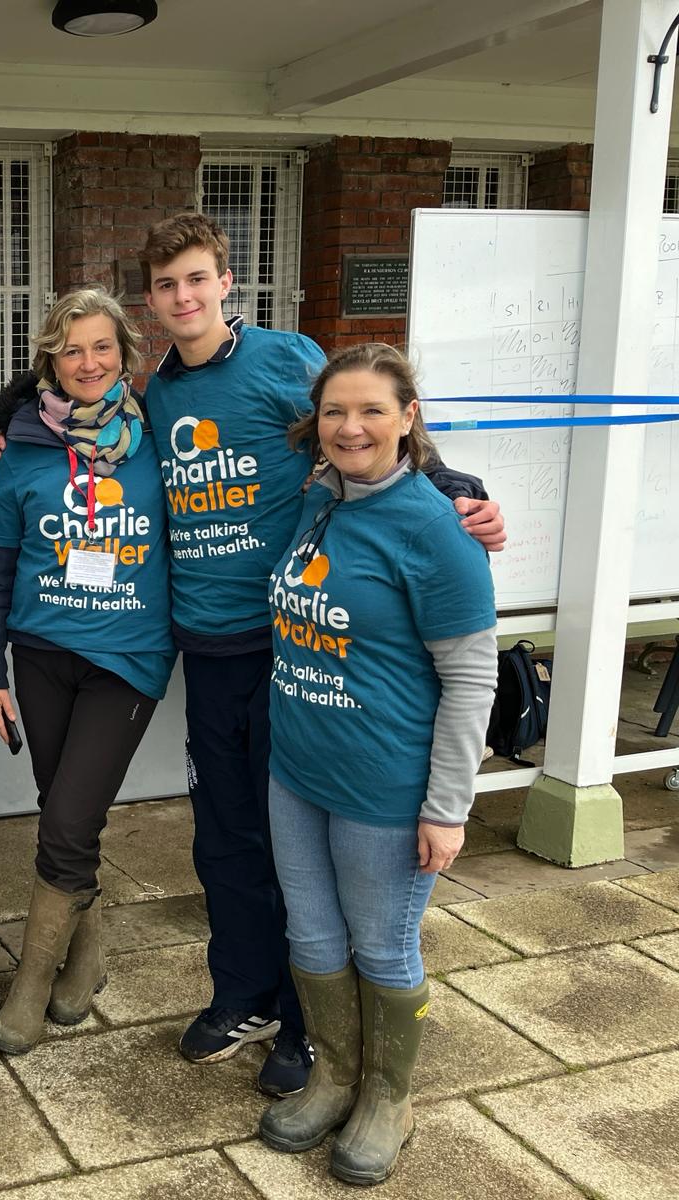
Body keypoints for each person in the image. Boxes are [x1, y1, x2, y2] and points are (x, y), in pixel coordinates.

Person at [137, 213, 505, 1097]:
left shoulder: (283, 358)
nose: (183, 298)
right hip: (209, 645)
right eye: (164, 285)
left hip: (296, 645)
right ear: (150, 302)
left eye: (196, 278)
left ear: (227, 282)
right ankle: (244, 996)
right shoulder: (155, 393)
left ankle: (310, 1033)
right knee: (224, 839)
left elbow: (366, 427)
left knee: (289, 845)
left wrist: (456, 492)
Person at [257, 343, 497, 1185]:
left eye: (369, 411)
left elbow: (472, 673)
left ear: (407, 420)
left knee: (383, 949)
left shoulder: (436, 528)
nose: (350, 427)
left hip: (385, 788)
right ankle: (335, 1077)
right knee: (312, 935)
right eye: (333, 411)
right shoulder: (319, 500)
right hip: (298, 771)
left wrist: (447, 806)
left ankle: (389, 1100)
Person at [0, 289, 176, 1055]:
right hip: (42, 656)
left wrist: (449, 484)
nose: (87, 363)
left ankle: (30, 979)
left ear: (125, 353)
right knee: (66, 813)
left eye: (101, 347)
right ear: (49, 362)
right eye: (70, 349)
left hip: (127, 660)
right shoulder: (24, 447)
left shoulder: (163, 442)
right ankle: (87, 958)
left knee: (62, 822)